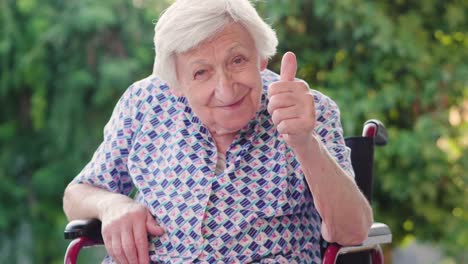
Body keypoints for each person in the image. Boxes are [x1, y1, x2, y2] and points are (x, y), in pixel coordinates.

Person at [63, 0, 373, 263]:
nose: (225, 90)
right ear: (176, 85)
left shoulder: (306, 109)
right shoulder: (145, 103)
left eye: (237, 60)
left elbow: (353, 231)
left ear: (261, 58)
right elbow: (77, 194)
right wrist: (111, 204)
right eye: (201, 72)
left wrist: (305, 142)